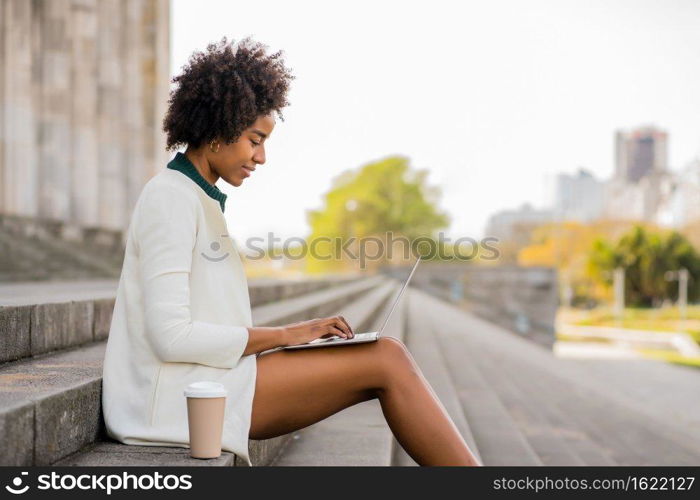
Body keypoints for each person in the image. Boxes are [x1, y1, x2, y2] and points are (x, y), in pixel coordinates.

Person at [102, 36, 481, 467]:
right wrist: (288, 335)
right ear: (217, 131)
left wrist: (287, 341)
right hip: (175, 402)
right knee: (387, 359)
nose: (261, 157)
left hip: (206, 384)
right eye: (254, 139)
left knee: (386, 356)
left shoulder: (194, 197)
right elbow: (170, 336)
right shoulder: (170, 197)